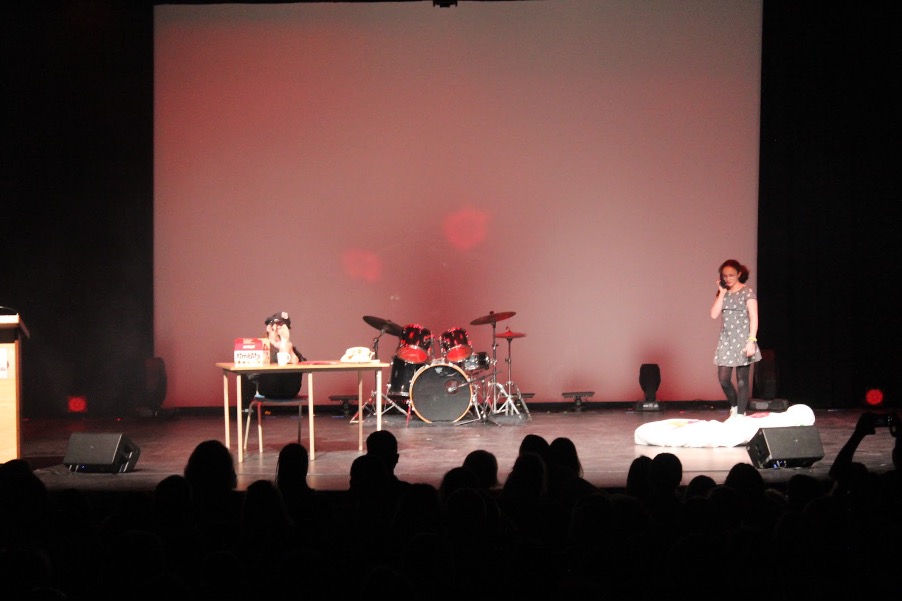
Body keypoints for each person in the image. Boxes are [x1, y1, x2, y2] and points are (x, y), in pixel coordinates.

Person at [710, 259, 762, 415]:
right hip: (726, 340)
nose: (727, 278)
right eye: (724, 276)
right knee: (723, 379)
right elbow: (714, 314)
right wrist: (722, 293)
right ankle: (734, 406)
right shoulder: (722, 292)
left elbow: (754, 317)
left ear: (739, 274)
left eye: (731, 275)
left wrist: (751, 341)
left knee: (742, 380)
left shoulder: (747, 292)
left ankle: (740, 414)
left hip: (744, 339)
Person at [241, 311, 307, 405]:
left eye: (284, 326)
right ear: (269, 327)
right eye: (278, 324)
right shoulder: (260, 346)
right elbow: (250, 375)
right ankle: (246, 409)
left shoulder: (289, 346)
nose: (280, 329)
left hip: (290, 390)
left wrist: (287, 345)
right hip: (269, 389)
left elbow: (301, 364)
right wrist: (283, 347)